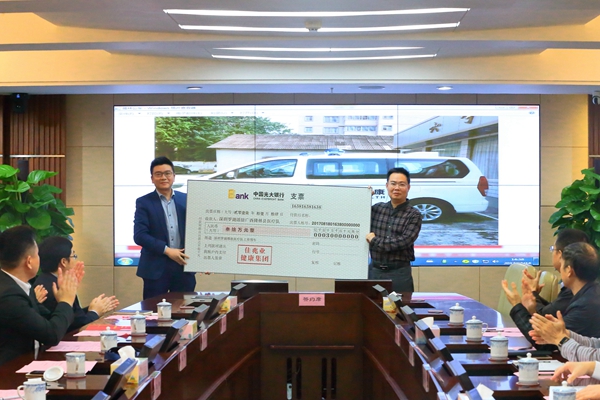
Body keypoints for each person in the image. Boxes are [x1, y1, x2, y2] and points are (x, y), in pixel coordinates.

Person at [0, 226, 78, 366]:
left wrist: (63, 299)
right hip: (9, 371)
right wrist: (66, 301)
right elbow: (51, 335)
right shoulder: (9, 295)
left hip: (26, 365)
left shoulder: (22, 286)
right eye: (38, 255)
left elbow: (48, 322)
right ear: (29, 261)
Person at [503, 242, 600, 347]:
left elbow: (547, 342)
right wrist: (532, 306)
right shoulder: (590, 293)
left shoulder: (586, 305)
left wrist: (517, 305)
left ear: (569, 271)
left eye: (562, 265)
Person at [134, 156, 196, 299]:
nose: (163, 177)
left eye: (167, 173)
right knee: (154, 310)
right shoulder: (144, 202)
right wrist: (167, 250)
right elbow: (140, 235)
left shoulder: (187, 199)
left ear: (174, 176)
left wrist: (203, 260)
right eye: (158, 174)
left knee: (184, 309)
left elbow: (197, 231)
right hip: (155, 269)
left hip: (184, 266)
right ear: (152, 178)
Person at [34, 236, 119, 331]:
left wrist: (92, 308)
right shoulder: (56, 287)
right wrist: (95, 312)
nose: (76, 260)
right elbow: (77, 323)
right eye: (74, 256)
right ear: (64, 262)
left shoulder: (45, 280)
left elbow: (74, 314)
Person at [366, 167, 422, 292]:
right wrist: (363, 198)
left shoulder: (414, 214)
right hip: (374, 271)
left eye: (402, 184)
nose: (397, 188)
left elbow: (403, 242)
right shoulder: (377, 209)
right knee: (371, 303)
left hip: (399, 273)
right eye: (393, 183)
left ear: (408, 187)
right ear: (387, 186)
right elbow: (355, 219)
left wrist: (374, 240)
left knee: (400, 304)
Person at [520, 229, 589, 316]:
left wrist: (520, 303)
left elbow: (545, 317)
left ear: (560, 255)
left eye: (553, 249)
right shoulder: (584, 282)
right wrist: (534, 294)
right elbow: (552, 310)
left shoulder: (574, 288)